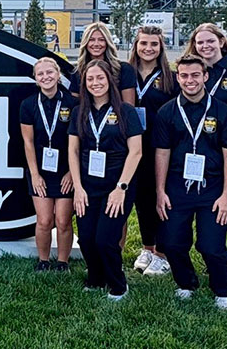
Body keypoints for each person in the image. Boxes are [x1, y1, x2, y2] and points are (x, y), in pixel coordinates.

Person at [154, 54, 227, 310]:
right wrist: (160, 191)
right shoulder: (167, 111)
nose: (189, 80)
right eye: (184, 75)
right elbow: (162, 153)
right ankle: (186, 283)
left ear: (205, 76)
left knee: (211, 245)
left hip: (212, 187)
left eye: (195, 75)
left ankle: (224, 290)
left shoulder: (223, 112)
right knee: (170, 242)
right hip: (177, 186)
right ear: (177, 77)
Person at [68, 59, 143, 301]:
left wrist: (121, 187)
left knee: (106, 239)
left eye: (100, 78)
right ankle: (96, 278)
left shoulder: (126, 111)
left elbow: (136, 151)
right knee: (87, 238)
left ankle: (118, 284)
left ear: (109, 80)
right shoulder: (80, 112)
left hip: (117, 184)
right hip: (88, 186)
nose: (95, 83)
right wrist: (78, 188)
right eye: (90, 79)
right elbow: (73, 151)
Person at [184, 22, 227, 278]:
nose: (205, 46)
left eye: (210, 41)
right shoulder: (194, 71)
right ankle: (209, 251)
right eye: (200, 42)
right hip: (198, 154)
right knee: (201, 204)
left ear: (222, 42)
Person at [126, 25, 178, 277]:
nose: (148, 48)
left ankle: (163, 253)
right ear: (135, 46)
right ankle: (148, 248)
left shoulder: (171, 77)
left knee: (162, 199)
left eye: (153, 44)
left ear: (161, 47)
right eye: (143, 43)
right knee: (141, 199)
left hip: (162, 148)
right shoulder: (125, 74)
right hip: (133, 147)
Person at [19, 57, 76, 272]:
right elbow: (28, 142)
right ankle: (43, 260)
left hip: (65, 171)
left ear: (58, 74)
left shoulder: (72, 103)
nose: (46, 77)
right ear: (35, 79)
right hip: (40, 171)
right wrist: (35, 174)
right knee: (43, 220)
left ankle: (63, 262)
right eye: (40, 74)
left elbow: (78, 143)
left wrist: (72, 172)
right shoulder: (28, 105)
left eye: (49, 72)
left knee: (62, 221)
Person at [70, 22, 137, 105]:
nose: (96, 44)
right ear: (85, 43)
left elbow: (129, 107)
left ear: (108, 42)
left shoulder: (124, 69)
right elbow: (76, 106)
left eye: (101, 40)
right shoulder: (77, 72)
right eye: (91, 40)